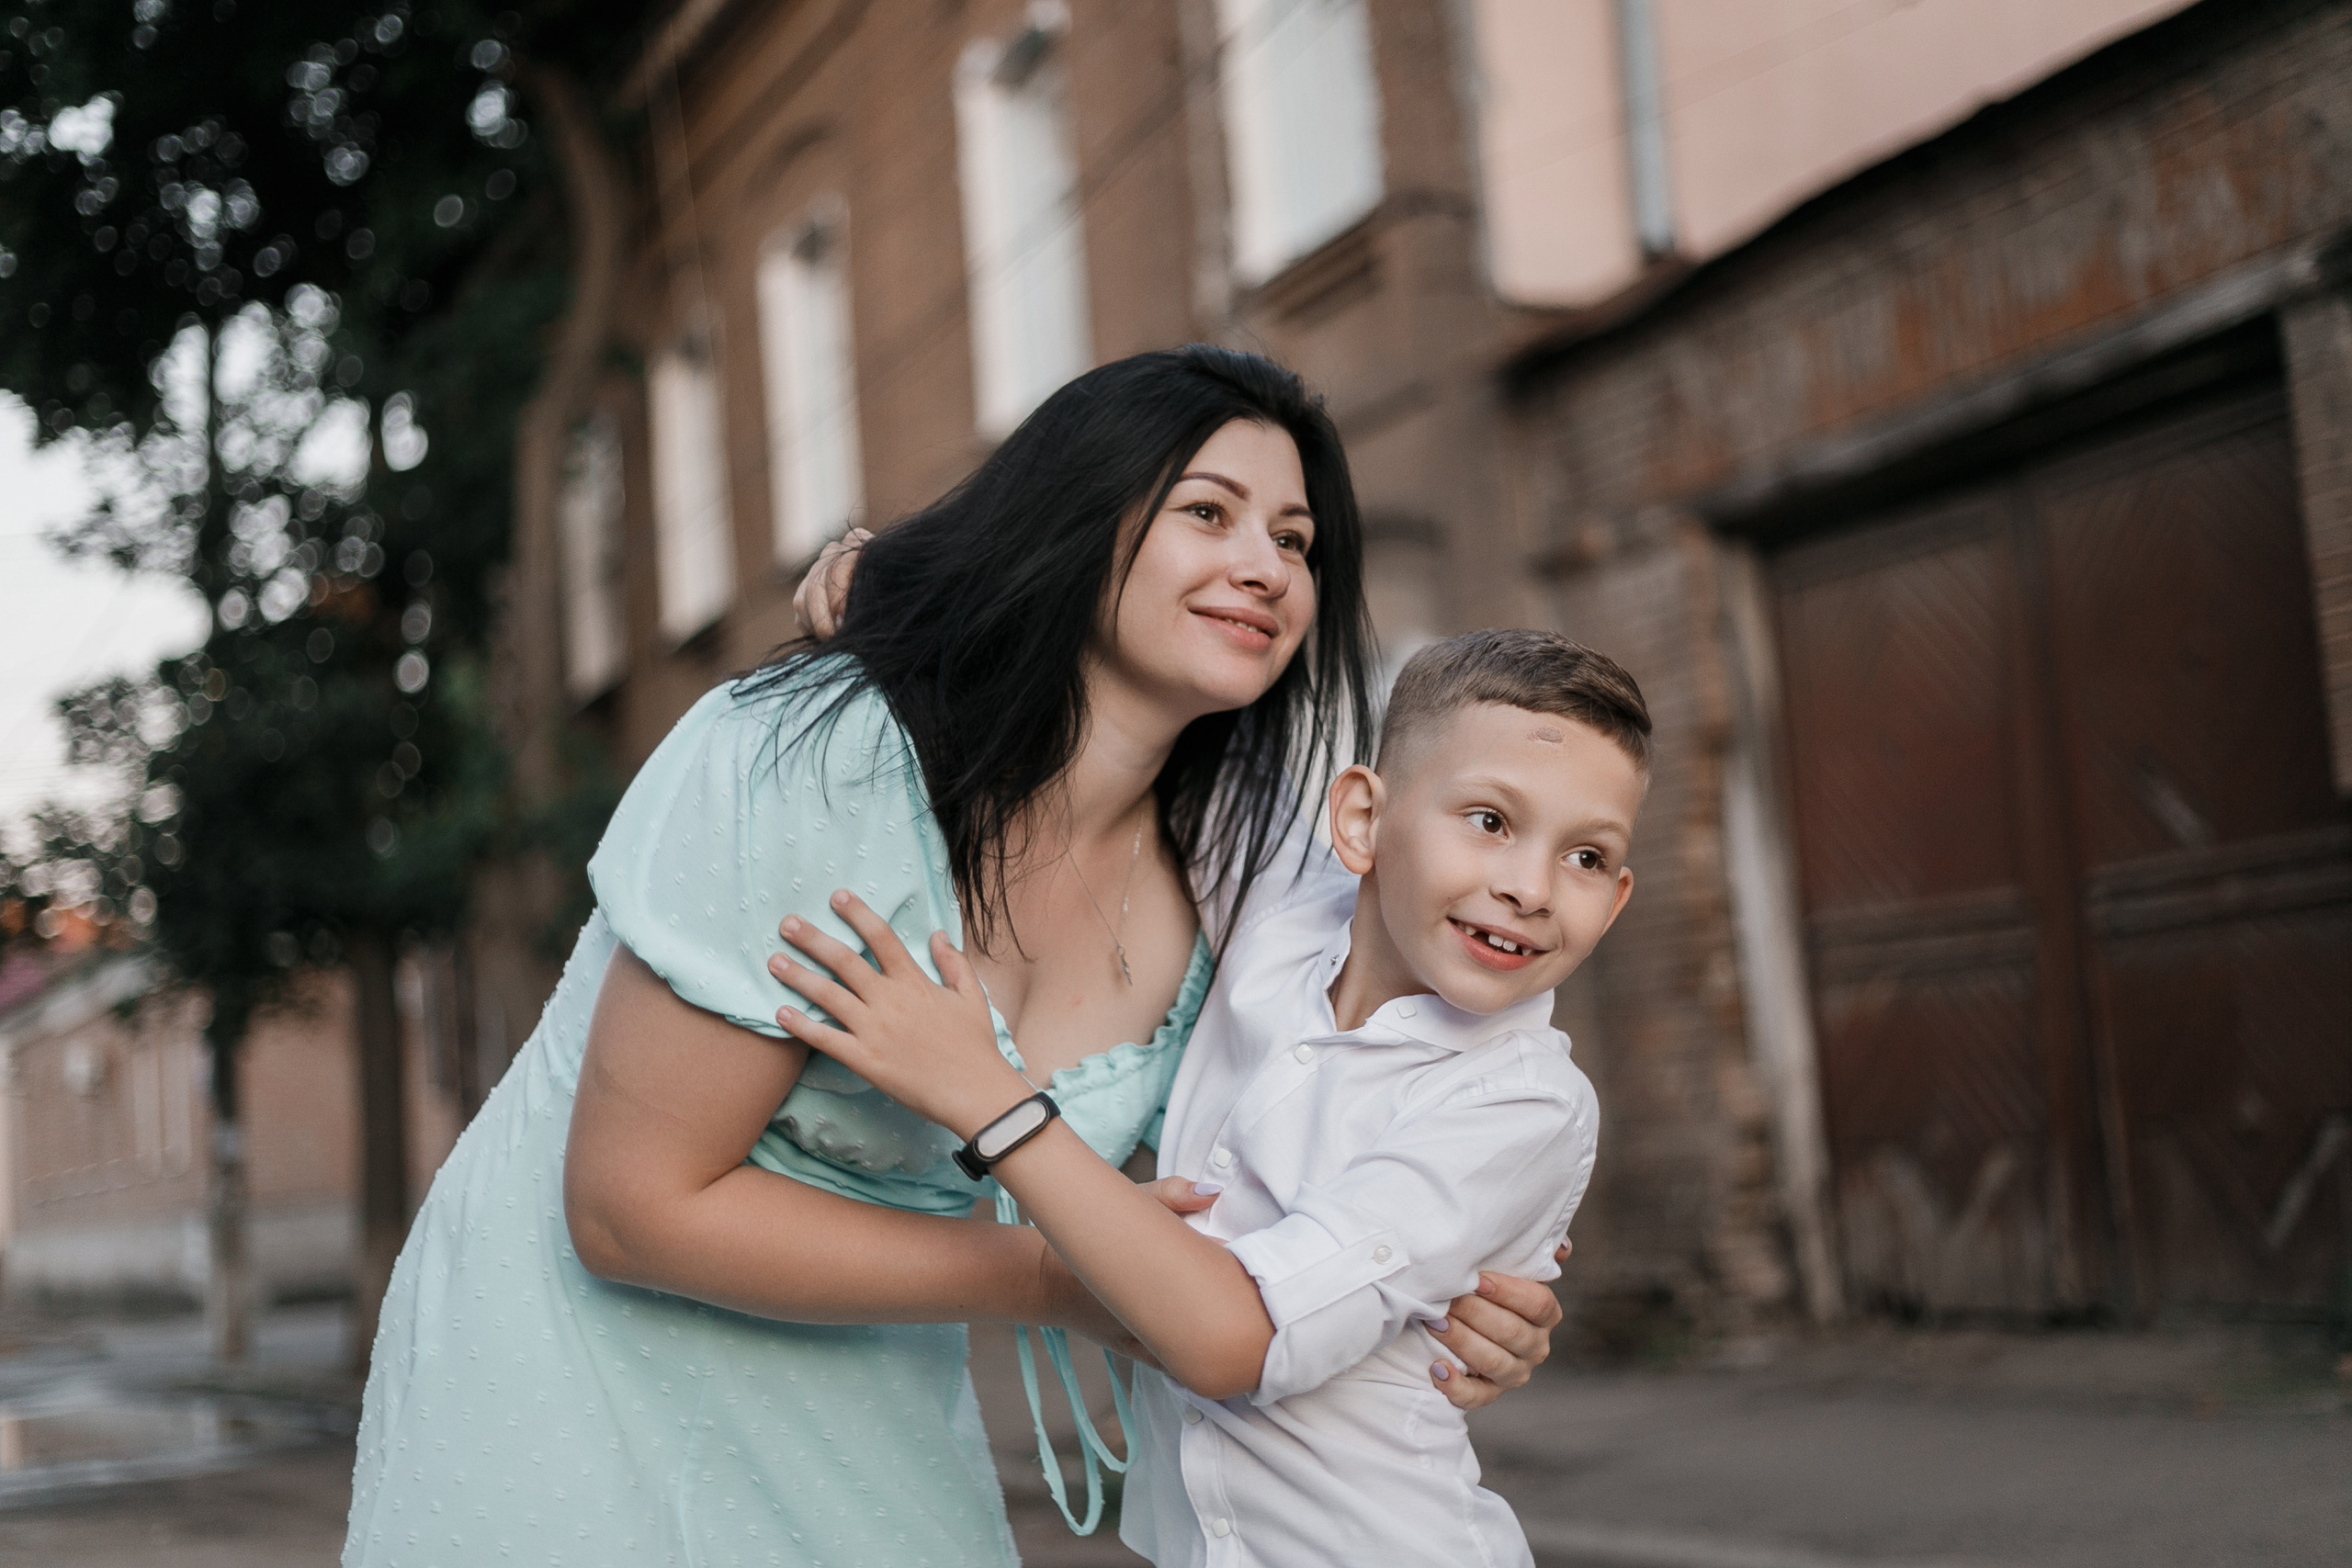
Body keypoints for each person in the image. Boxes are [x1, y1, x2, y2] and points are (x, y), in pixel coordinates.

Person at [343, 346, 1567, 1568]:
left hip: (872, 1361)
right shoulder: (818, 760)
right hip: (574, 1360)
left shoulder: (1244, 861)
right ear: (1078, 521)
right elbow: (626, 1209)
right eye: (1208, 511)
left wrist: (1459, 1280)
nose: (1265, 565)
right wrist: (1043, 1274)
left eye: (1297, 542)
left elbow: (1408, 1071)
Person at [764, 628, 1649, 1567]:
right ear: (1360, 821)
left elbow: (1236, 1341)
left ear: (1620, 894)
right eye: (1489, 821)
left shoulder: (1523, 1104)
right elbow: (1154, 701)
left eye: (1587, 859)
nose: (1530, 888)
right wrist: (895, 596)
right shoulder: (1278, 906)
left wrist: (987, 1095)